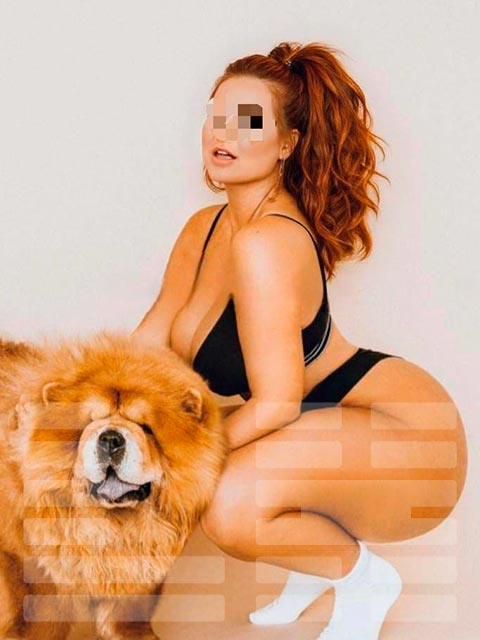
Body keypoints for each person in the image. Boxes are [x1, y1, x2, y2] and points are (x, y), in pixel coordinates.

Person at [133, 41, 468, 639]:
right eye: (215, 115)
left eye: (248, 120)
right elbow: (147, 351)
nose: (222, 132)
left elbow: (277, 404)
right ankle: (312, 563)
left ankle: (361, 577)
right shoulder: (204, 228)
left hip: (410, 436)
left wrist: (175, 458)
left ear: (287, 143)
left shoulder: (267, 243)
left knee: (228, 506)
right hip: (322, 425)